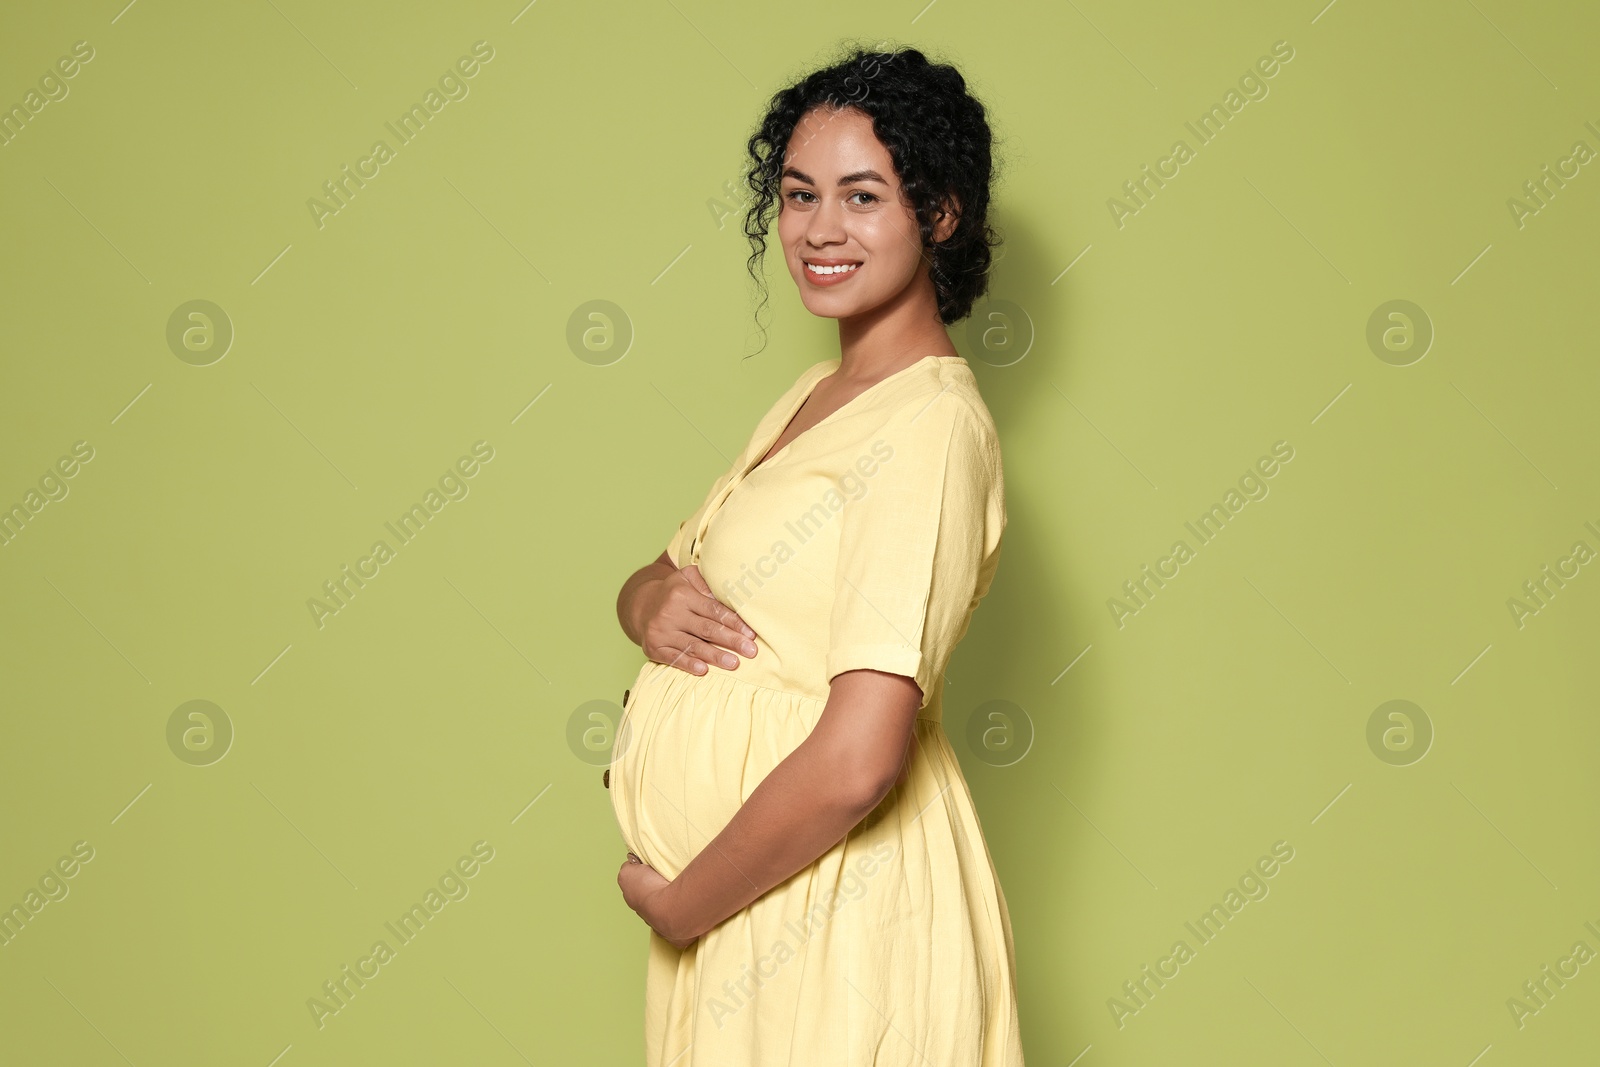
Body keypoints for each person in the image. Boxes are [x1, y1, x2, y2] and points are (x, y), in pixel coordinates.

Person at [609, 43, 1024, 1066]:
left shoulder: (927, 429)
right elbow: (664, 575)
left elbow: (858, 756)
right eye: (797, 194)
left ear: (939, 214)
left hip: (832, 919)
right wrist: (645, 603)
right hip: (761, 911)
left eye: (861, 196)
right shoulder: (815, 397)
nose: (819, 230)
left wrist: (682, 901)